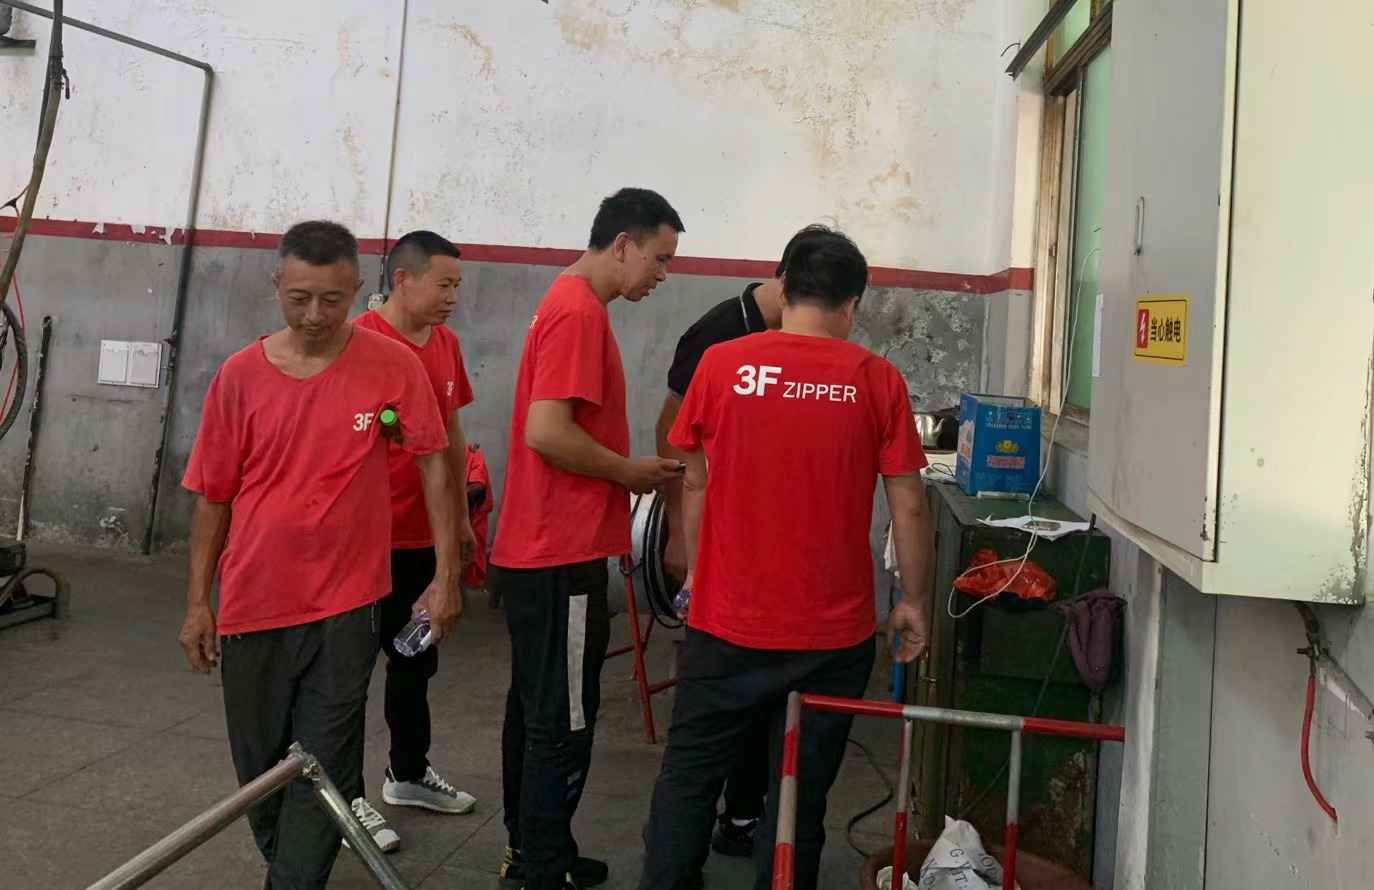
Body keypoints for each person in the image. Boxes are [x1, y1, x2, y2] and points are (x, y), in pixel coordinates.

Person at [638, 230, 935, 890]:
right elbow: (909, 506)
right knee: (798, 795)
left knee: (689, 777)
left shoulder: (722, 365)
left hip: (725, 624)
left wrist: (698, 571)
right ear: (852, 305)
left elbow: (694, 479)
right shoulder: (876, 379)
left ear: (786, 288)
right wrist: (913, 601)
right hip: (831, 638)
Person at [177, 221, 462, 890]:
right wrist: (197, 603)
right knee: (261, 770)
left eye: (331, 300)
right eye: (299, 297)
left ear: (358, 290)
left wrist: (446, 575)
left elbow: (434, 462)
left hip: (346, 604)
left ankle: (292, 881)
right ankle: (291, 866)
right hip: (252, 602)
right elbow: (213, 498)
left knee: (323, 759)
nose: (313, 315)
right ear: (277, 284)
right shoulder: (239, 376)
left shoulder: (393, 366)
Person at [489, 187, 687, 890]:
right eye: (659, 258)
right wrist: (629, 472)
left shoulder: (568, 301)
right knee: (564, 720)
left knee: (537, 707)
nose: (662, 274)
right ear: (623, 244)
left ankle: (535, 850)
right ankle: (541, 870)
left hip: (541, 549)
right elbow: (547, 432)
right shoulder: (577, 312)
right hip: (558, 553)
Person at [653, 224, 836, 862]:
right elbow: (672, 436)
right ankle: (690, 843)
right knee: (714, 714)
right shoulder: (717, 335)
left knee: (768, 705)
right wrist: (681, 534)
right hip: (722, 563)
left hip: (777, 569)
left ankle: (743, 815)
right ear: (788, 284)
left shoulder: (813, 349)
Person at [350, 230, 481, 848]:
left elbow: (451, 436)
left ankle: (406, 774)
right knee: (344, 673)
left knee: (413, 660)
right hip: (362, 541)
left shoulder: (446, 344)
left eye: (457, 285)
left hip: (420, 539)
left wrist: (458, 521)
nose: (452, 296)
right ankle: (344, 796)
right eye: (443, 284)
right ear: (402, 279)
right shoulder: (358, 342)